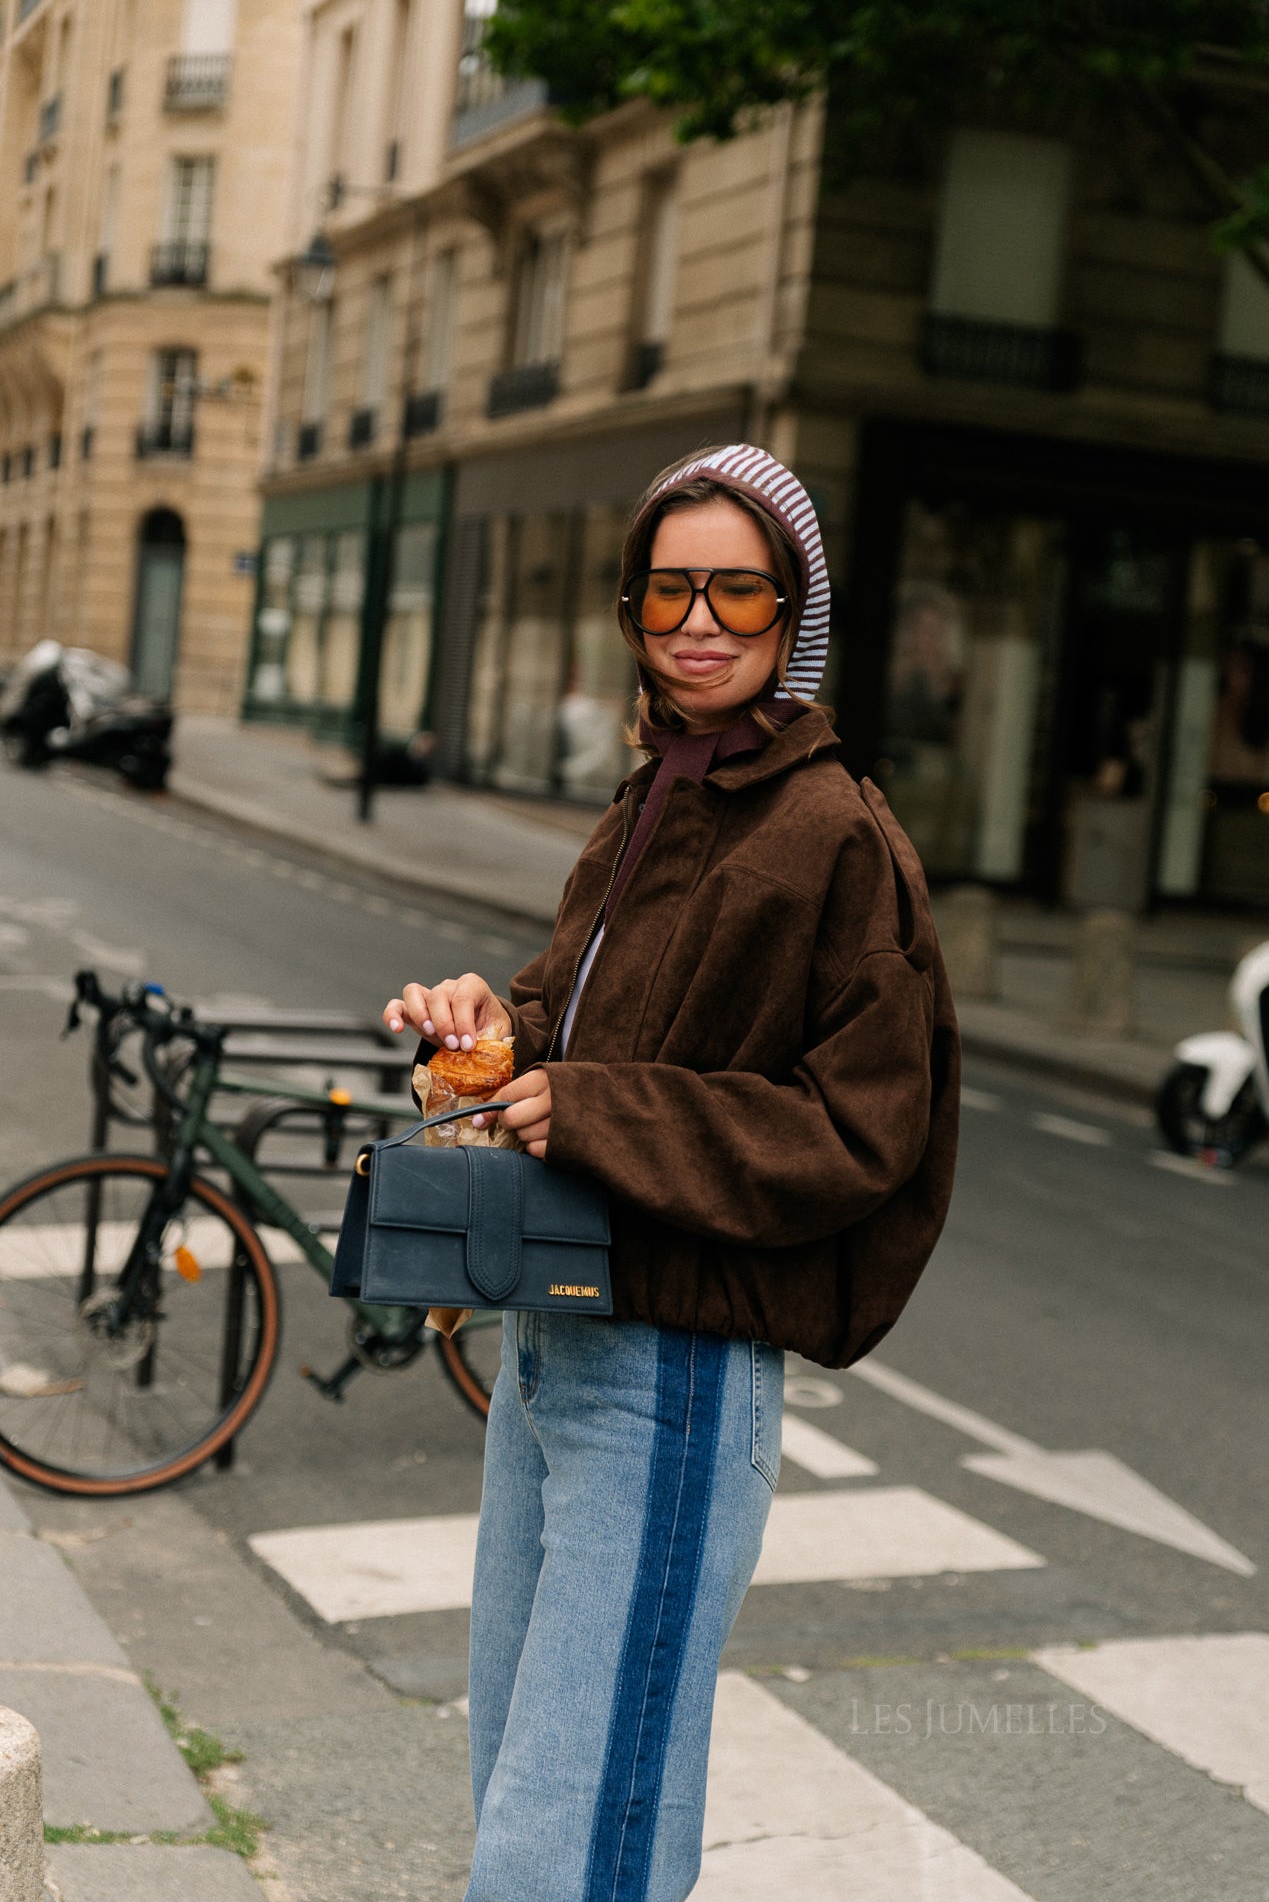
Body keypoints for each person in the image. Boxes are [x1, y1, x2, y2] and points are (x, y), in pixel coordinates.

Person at [383, 441, 960, 1902]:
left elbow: (861, 1133)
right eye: (668, 589)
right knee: (527, 1794)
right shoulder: (656, 796)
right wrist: (491, 1026)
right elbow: (582, 1022)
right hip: (554, 1342)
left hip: (679, 1374)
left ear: (793, 614)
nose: (699, 622)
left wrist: (595, 1111)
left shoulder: (833, 834)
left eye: (738, 592)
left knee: (568, 1847)